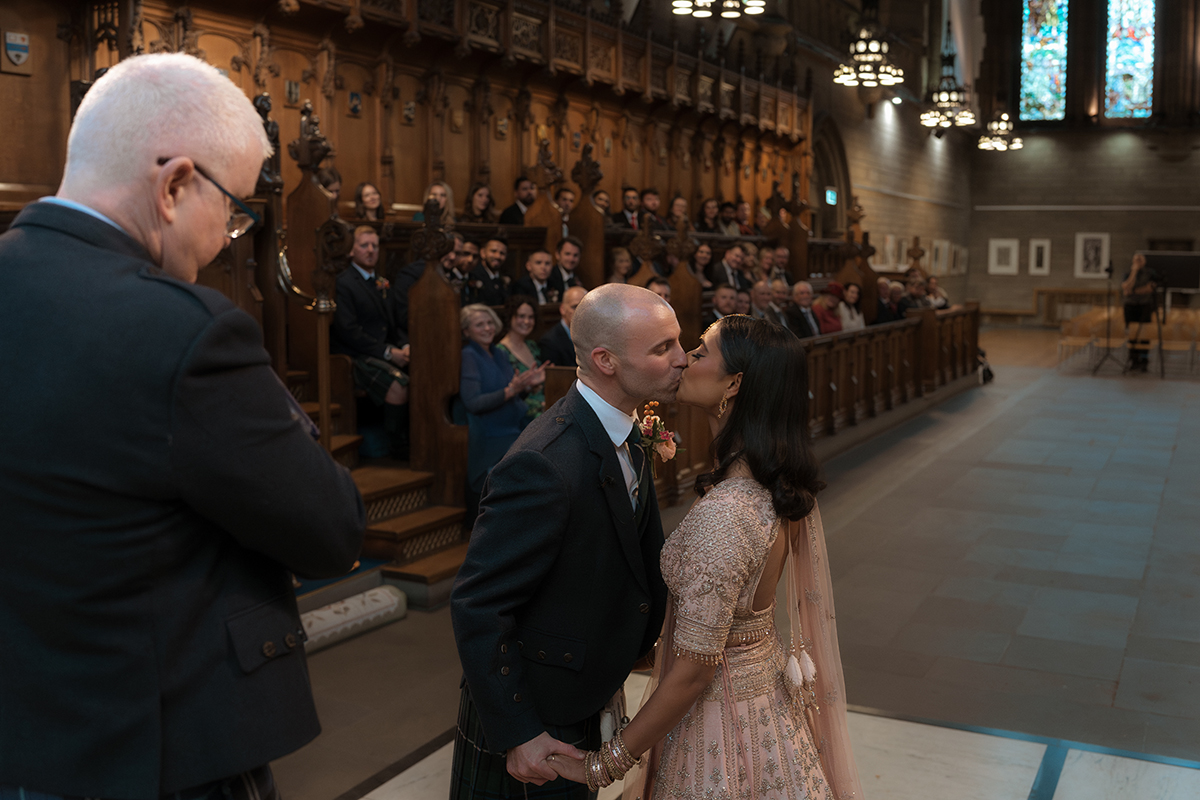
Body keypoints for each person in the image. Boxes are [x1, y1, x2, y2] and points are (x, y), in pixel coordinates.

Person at [0, 52, 365, 800]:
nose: (225, 240)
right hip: (153, 750)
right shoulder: (184, 333)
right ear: (174, 185)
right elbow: (330, 528)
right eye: (233, 213)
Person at [546, 316, 862, 800]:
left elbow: (695, 670)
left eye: (699, 352)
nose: (683, 360)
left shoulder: (726, 514)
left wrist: (602, 766)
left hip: (720, 726)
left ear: (733, 383)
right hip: (762, 704)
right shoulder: (765, 481)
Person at [449, 284, 686, 800]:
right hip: (537, 713)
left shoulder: (626, 434)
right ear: (606, 360)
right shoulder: (544, 463)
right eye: (662, 347)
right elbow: (478, 603)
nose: (682, 359)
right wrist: (520, 732)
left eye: (679, 342)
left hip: (582, 689)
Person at [332, 226, 412, 457]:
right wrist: (388, 353)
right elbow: (348, 331)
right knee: (399, 386)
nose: (370, 250)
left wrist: (404, 347)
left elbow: (394, 323)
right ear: (351, 251)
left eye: (374, 246)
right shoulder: (343, 283)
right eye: (364, 245)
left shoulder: (381, 281)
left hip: (385, 350)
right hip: (356, 355)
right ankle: (396, 448)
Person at [460, 304, 546, 513]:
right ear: (466, 331)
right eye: (479, 325)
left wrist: (527, 386)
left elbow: (513, 393)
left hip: (514, 426)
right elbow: (473, 403)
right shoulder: (469, 355)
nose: (487, 328)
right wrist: (510, 391)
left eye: (490, 323)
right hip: (491, 435)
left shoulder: (497, 353)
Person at [496, 295, 550, 422]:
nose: (527, 322)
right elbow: (507, 394)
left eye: (531, 317)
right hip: (522, 413)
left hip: (544, 406)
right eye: (521, 316)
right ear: (510, 317)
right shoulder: (500, 351)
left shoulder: (532, 346)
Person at [1122, 253, 1158, 372]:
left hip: (1145, 306)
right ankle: (1133, 361)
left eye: (1140, 259)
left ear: (1144, 261)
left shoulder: (1150, 273)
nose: (1138, 261)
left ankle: (1144, 361)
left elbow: (1150, 288)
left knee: (1144, 335)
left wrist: (1134, 291)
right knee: (1132, 335)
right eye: (1136, 259)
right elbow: (1126, 288)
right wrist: (1134, 272)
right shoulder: (1128, 272)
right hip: (1130, 306)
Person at [539, 285, 587, 367]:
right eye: (575, 307)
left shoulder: (594, 334)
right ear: (562, 309)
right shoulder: (550, 342)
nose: (580, 312)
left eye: (584, 307)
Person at [466, 234, 511, 306]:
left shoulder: (503, 280)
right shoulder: (473, 275)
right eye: (493, 251)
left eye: (502, 253)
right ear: (483, 253)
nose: (498, 256)